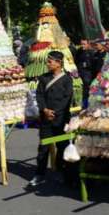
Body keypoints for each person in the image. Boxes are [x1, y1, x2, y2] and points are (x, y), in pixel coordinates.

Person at [29, 51, 74, 187]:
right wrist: (44, 110)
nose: (47, 64)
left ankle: (62, 172)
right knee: (43, 147)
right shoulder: (43, 78)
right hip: (46, 118)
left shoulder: (67, 79)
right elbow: (39, 95)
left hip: (61, 119)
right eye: (47, 61)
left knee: (62, 146)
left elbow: (67, 99)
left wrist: (56, 112)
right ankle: (40, 174)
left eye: (50, 61)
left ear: (59, 63)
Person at [74, 39, 96, 109]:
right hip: (81, 72)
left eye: (84, 44)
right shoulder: (79, 51)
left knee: (88, 89)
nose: (82, 46)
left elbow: (93, 63)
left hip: (89, 73)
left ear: (88, 44)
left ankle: (88, 104)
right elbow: (76, 61)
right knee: (83, 89)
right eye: (81, 44)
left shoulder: (92, 52)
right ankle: (83, 104)